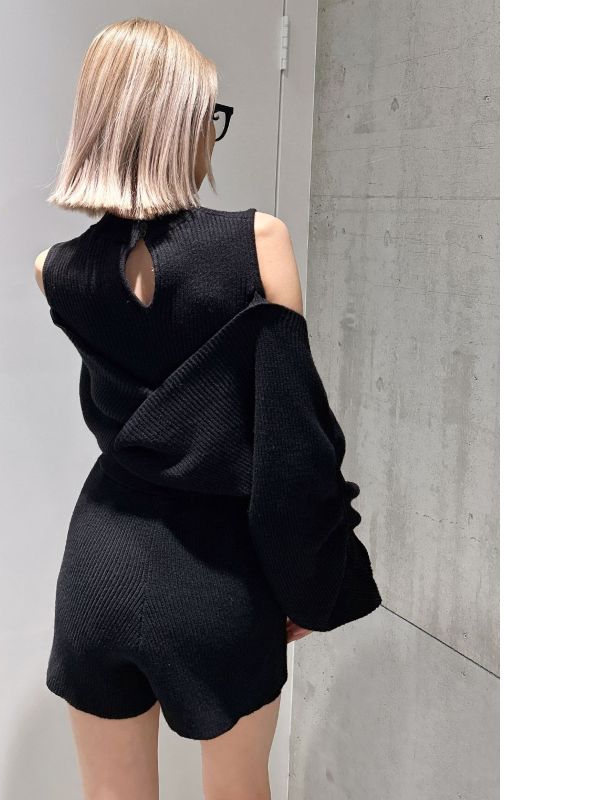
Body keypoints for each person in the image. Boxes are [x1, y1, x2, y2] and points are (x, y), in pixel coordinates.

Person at [33, 17, 381, 800]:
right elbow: (294, 449)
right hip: (216, 576)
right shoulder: (259, 242)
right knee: (238, 790)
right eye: (206, 116)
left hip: (97, 569)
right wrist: (311, 580)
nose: (210, 136)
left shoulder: (55, 271)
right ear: (175, 123)